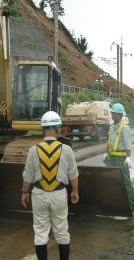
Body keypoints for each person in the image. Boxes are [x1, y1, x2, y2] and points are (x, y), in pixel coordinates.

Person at [21, 111, 79, 260]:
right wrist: (75, 191)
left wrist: (25, 192)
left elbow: (27, 175)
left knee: (40, 232)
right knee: (61, 230)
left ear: (43, 128)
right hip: (59, 194)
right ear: (57, 128)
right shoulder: (66, 150)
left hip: (39, 194)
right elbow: (73, 174)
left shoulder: (33, 150)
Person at [104, 103, 134, 211]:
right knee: (110, 179)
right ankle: (114, 201)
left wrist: (128, 158)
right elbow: (109, 142)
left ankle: (131, 203)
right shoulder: (111, 126)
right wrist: (106, 153)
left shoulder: (125, 128)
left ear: (119, 115)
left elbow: (128, 145)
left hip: (121, 158)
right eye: (112, 113)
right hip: (111, 157)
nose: (112, 115)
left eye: (113, 113)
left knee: (125, 180)